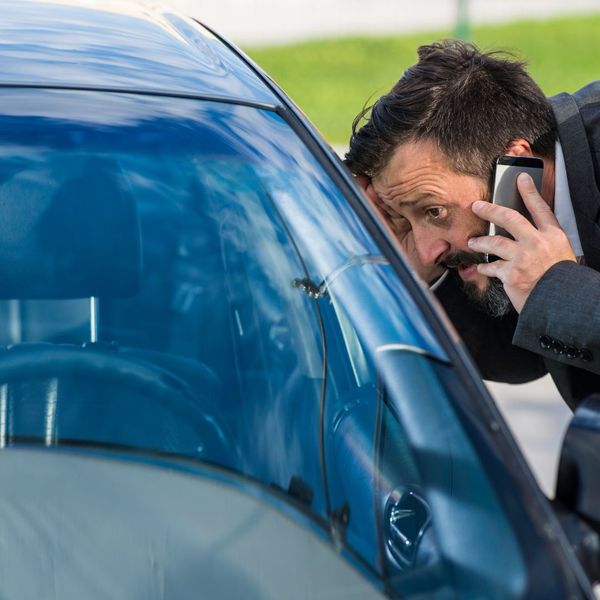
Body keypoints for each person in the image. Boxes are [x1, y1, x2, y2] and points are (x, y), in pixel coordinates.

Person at [345, 40, 600, 410]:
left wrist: (557, 288)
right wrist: (420, 278)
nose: (429, 248)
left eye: (433, 211)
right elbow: (519, 360)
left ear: (515, 166)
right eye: (405, 216)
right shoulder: (509, 230)